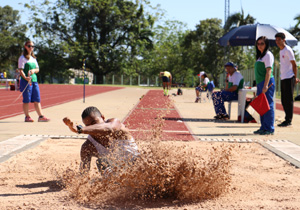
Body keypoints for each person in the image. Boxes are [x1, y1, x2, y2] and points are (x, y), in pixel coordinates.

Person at [63, 106, 139, 175]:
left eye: (94, 123)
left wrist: (80, 129)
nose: (92, 128)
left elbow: (109, 129)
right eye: (88, 126)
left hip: (136, 166)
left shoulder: (114, 123)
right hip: (118, 174)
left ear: (102, 117)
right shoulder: (89, 145)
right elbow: (83, 174)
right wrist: (70, 178)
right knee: (101, 162)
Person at [18, 40, 50, 122]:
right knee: (26, 100)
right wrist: (26, 78)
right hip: (26, 82)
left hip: (34, 81)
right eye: (29, 46)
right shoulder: (22, 58)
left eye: (32, 46)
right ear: (25, 47)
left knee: (37, 99)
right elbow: (20, 70)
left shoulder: (33, 58)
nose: (31, 48)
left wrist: (33, 70)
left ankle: (41, 116)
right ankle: (27, 116)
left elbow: (37, 69)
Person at [275, 32, 299, 127]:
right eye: (276, 40)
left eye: (279, 40)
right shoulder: (281, 51)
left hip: (289, 77)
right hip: (283, 77)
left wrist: (295, 77)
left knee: (288, 100)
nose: (277, 42)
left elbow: (294, 64)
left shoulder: (288, 50)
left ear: (283, 40)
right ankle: (286, 118)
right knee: (283, 100)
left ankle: (288, 120)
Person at [253, 36, 275, 135]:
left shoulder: (268, 55)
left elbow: (268, 71)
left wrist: (265, 85)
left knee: (268, 104)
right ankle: (263, 127)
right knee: (262, 105)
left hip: (267, 82)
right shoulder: (260, 56)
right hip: (260, 83)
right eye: (258, 43)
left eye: (262, 43)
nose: (259, 45)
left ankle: (269, 128)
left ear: (266, 44)